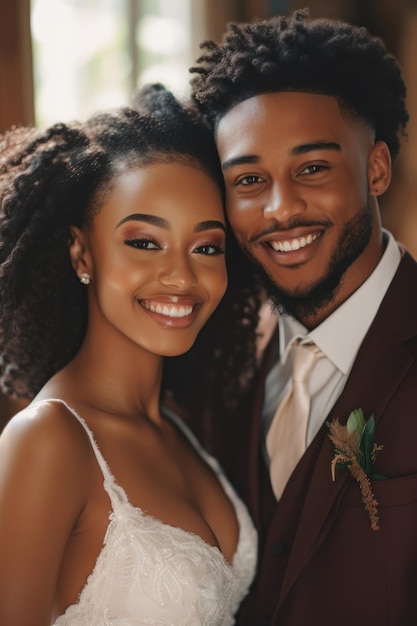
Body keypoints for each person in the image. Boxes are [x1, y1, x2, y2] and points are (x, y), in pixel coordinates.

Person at [180, 8, 417, 625]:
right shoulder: (218, 352)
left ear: (377, 168)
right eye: (250, 179)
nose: (281, 210)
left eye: (312, 168)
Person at [0, 84, 258, 626]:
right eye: (145, 242)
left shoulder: (180, 427)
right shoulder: (47, 442)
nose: (183, 276)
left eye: (206, 247)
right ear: (81, 251)